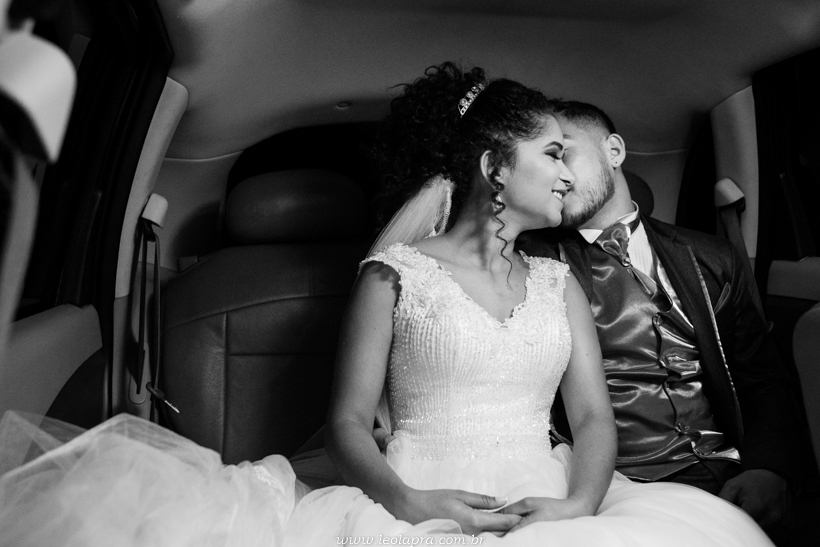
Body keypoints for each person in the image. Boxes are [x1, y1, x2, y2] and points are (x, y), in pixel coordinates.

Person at [0, 64, 775, 547]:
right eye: (551, 153)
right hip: (412, 489)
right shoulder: (395, 277)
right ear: (494, 168)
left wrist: (577, 505)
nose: (569, 174)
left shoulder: (558, 281)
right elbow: (346, 421)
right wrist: (411, 502)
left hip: (547, 491)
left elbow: (596, 418)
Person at [515, 100, 800, 537]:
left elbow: (760, 376)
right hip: (611, 483)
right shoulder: (531, 262)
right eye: (546, 160)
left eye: (563, 153)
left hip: (722, 470)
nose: (558, 175)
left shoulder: (712, 256)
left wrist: (768, 467)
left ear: (614, 151)